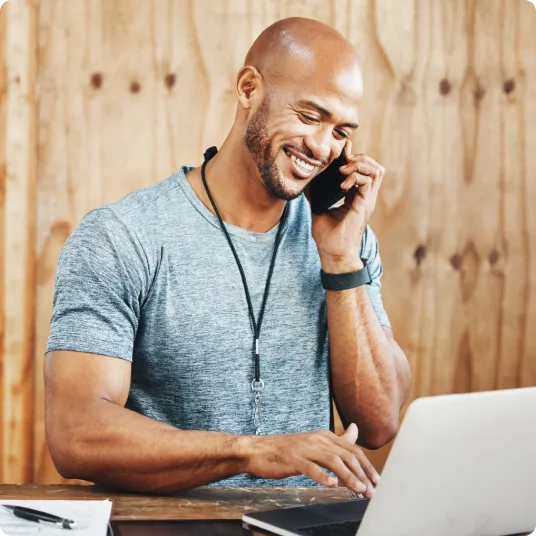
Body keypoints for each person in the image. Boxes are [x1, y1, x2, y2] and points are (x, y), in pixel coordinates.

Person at [44, 17, 411, 497]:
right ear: (248, 89)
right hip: (170, 531)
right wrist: (251, 452)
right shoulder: (122, 236)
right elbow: (76, 433)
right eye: (308, 116)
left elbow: (380, 423)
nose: (323, 147)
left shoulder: (347, 241)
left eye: (341, 131)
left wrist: (341, 262)